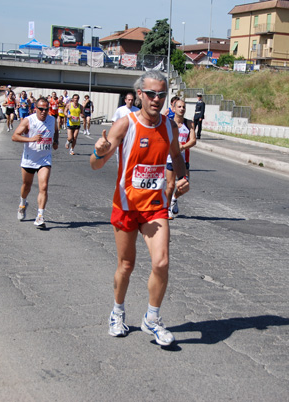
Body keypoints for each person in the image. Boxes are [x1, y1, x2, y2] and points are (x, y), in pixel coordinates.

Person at [90, 70, 189, 347]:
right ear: (141, 95)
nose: (156, 99)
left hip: (154, 207)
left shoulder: (169, 127)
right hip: (126, 205)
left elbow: (177, 156)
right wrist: (99, 150)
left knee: (162, 262)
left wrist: (183, 178)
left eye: (161, 94)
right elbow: (95, 165)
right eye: (151, 94)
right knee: (126, 264)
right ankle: (117, 312)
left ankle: (152, 319)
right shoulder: (126, 124)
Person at [12, 97, 59, 229]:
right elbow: (14, 136)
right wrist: (31, 139)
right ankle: (22, 204)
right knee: (27, 185)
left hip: (45, 159)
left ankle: (40, 216)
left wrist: (56, 142)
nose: (44, 112)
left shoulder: (52, 120)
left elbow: (55, 132)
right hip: (29, 159)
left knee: (43, 187)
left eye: (46, 109)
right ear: (35, 109)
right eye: (41, 109)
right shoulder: (29, 120)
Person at [166, 99, 196, 220]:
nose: (182, 109)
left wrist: (182, 147)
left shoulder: (189, 123)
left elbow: (193, 140)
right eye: (179, 107)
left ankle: (174, 198)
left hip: (184, 159)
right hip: (170, 159)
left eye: (183, 107)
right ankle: (167, 209)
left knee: (185, 186)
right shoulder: (168, 123)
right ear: (173, 109)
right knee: (170, 185)